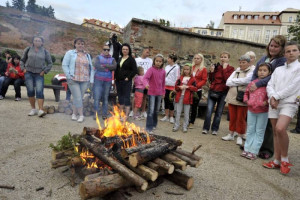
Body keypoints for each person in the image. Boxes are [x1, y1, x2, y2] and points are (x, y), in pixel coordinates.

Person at [263, 41, 300, 175]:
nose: (291, 53)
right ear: (284, 54)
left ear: (299, 52)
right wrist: (272, 97)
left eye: (294, 50)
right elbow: (270, 84)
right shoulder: (278, 69)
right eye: (288, 51)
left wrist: (276, 97)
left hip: (289, 102)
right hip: (274, 102)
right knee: (275, 131)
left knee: (280, 128)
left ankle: (284, 159)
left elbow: (293, 87)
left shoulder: (299, 68)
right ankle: (276, 161)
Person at [250, 35, 287, 159]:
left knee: (268, 122)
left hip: (271, 93)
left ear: (281, 48)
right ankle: (255, 145)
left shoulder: (282, 60)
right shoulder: (264, 58)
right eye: (271, 45)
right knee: (256, 120)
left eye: (276, 46)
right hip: (257, 92)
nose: (273, 48)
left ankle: (267, 149)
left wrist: (258, 83)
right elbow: (255, 73)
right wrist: (252, 85)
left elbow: (273, 77)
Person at [241, 63, 271, 160]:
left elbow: (271, 96)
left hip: (263, 111)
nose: (262, 72)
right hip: (251, 110)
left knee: (259, 131)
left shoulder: (269, 84)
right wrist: (246, 100)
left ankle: (254, 151)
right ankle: (246, 149)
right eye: (260, 70)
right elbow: (246, 93)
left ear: (269, 72)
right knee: (250, 130)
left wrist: (266, 102)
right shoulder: (252, 83)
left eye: (264, 70)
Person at [222, 55, 254, 145]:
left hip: (242, 97)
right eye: (240, 62)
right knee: (232, 117)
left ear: (248, 63)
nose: (241, 64)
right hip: (232, 96)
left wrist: (235, 81)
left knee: (241, 118)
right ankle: (231, 134)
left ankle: (240, 136)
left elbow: (247, 81)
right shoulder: (236, 71)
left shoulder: (251, 71)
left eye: (243, 62)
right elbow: (228, 82)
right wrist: (239, 81)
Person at [62, 38, 94, 122]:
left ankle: (74, 113)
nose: (80, 45)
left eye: (82, 44)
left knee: (78, 98)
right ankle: (81, 115)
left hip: (85, 80)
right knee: (78, 98)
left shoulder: (87, 55)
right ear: (75, 44)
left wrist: (91, 80)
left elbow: (91, 68)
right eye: (79, 43)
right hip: (73, 79)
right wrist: (68, 76)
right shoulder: (70, 53)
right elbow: (64, 65)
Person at [202, 52, 234, 135]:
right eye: (222, 57)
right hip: (213, 90)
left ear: (228, 59)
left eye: (225, 57)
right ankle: (205, 128)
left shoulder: (231, 69)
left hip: (223, 92)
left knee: (219, 112)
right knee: (209, 111)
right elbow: (211, 79)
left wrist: (224, 69)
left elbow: (227, 80)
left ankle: (215, 129)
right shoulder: (217, 67)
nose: (223, 58)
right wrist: (212, 72)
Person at [20, 36, 53, 117]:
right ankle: (33, 109)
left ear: (42, 43)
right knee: (30, 91)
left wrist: (44, 71)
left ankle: (41, 110)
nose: (37, 42)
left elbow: (50, 63)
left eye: (39, 41)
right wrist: (23, 69)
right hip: (28, 73)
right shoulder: (28, 49)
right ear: (33, 41)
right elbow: (22, 60)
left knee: (39, 91)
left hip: (39, 73)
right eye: (35, 40)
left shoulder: (45, 51)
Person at [143, 54, 166, 133]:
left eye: (160, 61)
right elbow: (145, 78)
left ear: (162, 62)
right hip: (152, 93)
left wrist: (163, 92)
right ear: (154, 61)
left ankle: (154, 124)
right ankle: (148, 127)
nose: (158, 63)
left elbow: (163, 83)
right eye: (157, 61)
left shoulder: (163, 71)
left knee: (156, 110)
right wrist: (146, 84)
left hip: (159, 93)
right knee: (151, 110)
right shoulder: (151, 70)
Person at [93, 44, 117, 120]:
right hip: (98, 80)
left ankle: (104, 114)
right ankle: (95, 114)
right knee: (97, 97)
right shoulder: (98, 57)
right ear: (102, 50)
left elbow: (114, 67)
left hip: (108, 81)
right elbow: (97, 65)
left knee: (105, 98)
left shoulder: (112, 59)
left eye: (108, 50)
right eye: (105, 49)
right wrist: (108, 67)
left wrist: (104, 66)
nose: (106, 51)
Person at [115, 43, 138, 119]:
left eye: (126, 49)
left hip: (126, 82)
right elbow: (117, 69)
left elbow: (135, 70)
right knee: (120, 97)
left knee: (126, 97)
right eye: (123, 49)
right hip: (118, 81)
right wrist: (115, 78)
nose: (125, 50)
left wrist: (128, 77)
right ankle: (121, 114)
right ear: (121, 50)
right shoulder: (120, 58)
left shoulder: (131, 59)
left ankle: (126, 115)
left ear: (129, 50)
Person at [173, 64, 197, 133]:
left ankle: (185, 126)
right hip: (180, 96)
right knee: (178, 112)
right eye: (185, 69)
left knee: (186, 113)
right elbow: (176, 86)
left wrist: (188, 87)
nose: (186, 71)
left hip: (188, 98)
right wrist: (179, 87)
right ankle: (176, 125)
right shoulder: (180, 78)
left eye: (187, 69)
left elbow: (195, 88)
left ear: (190, 70)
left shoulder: (193, 79)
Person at [131, 47, 153, 118]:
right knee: (135, 96)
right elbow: (134, 69)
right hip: (138, 82)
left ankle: (143, 111)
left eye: (148, 52)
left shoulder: (150, 60)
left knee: (144, 97)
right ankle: (133, 110)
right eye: (146, 51)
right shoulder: (136, 60)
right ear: (142, 51)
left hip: (147, 81)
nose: (148, 53)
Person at [188, 53, 207, 129]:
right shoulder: (191, 67)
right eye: (195, 58)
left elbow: (204, 80)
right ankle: (186, 120)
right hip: (189, 89)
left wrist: (197, 85)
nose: (196, 59)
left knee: (194, 107)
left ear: (201, 60)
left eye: (198, 58)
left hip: (197, 90)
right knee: (187, 105)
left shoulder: (203, 69)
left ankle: (191, 122)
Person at [160, 53, 180, 124]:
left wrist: (175, 88)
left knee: (171, 101)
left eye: (168, 58)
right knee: (166, 101)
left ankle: (171, 116)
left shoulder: (176, 67)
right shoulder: (167, 67)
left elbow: (177, 78)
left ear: (172, 59)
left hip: (172, 87)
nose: (167, 59)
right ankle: (166, 116)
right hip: (166, 86)